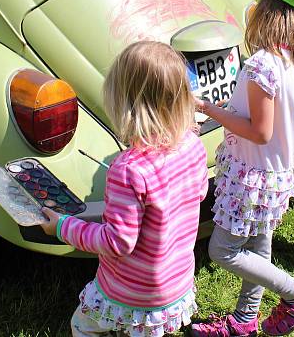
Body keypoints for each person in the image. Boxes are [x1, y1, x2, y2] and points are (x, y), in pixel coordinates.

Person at [190, 0, 294, 337]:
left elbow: (259, 131)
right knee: (258, 246)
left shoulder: (261, 65)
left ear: (269, 9)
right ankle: (244, 320)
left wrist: (207, 108)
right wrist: (227, 109)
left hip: (252, 172)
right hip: (278, 172)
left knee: (223, 251)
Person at [40, 41, 209, 337]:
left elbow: (118, 242)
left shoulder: (128, 170)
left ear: (124, 103)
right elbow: (199, 193)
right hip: (174, 281)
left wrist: (63, 227)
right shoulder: (193, 146)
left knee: (84, 327)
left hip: (131, 291)